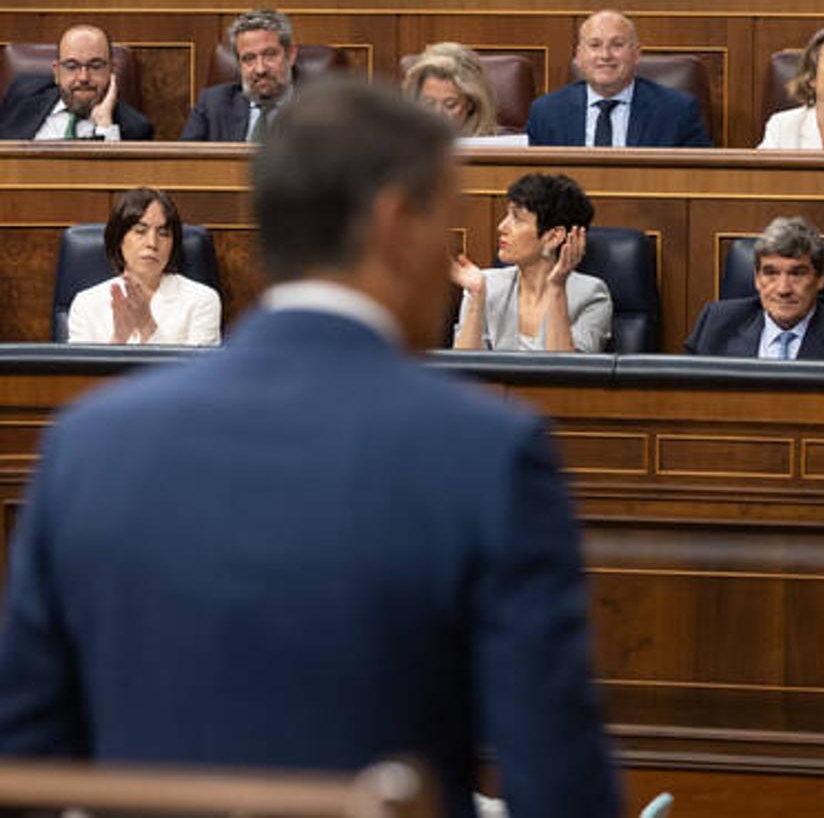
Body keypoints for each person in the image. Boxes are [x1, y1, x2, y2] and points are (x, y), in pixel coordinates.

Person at [0, 78, 620, 818]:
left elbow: (22, 758)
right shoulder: (487, 453)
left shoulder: (89, 442)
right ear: (395, 224)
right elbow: (559, 784)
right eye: (444, 220)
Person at [452, 173, 612, 352]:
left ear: (553, 237)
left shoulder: (591, 296)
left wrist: (556, 287)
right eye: (507, 215)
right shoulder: (485, 285)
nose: (502, 227)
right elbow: (463, 371)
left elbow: (567, 373)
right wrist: (476, 298)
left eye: (517, 218)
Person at [684, 216, 824, 360]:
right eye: (770, 273)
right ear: (756, 278)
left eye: (797, 274)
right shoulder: (715, 324)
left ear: (820, 278)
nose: (783, 289)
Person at [526, 10, 712, 148]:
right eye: (595, 45)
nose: (605, 55)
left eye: (617, 45)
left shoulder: (677, 111)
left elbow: (700, 179)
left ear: (636, 54)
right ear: (579, 56)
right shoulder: (546, 112)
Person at [67, 187, 221, 346]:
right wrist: (119, 339)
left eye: (163, 233)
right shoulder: (86, 304)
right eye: (140, 231)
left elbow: (199, 370)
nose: (152, 243)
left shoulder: (202, 300)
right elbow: (82, 370)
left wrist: (147, 326)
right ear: (119, 239)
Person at [0, 24, 153, 140]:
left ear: (111, 70)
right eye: (72, 66)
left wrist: (104, 126)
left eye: (95, 66)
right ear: (57, 72)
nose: (83, 78)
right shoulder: (23, 95)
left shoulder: (134, 128)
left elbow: (119, 179)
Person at [180, 9, 297, 142]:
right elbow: (184, 160)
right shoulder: (212, 104)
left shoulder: (320, 110)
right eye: (249, 59)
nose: (260, 69)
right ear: (238, 63)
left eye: (270, 55)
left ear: (290, 55)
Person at [402, 42, 500, 136]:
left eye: (450, 105)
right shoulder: (400, 144)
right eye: (428, 103)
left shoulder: (502, 145)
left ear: (471, 103)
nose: (437, 114)